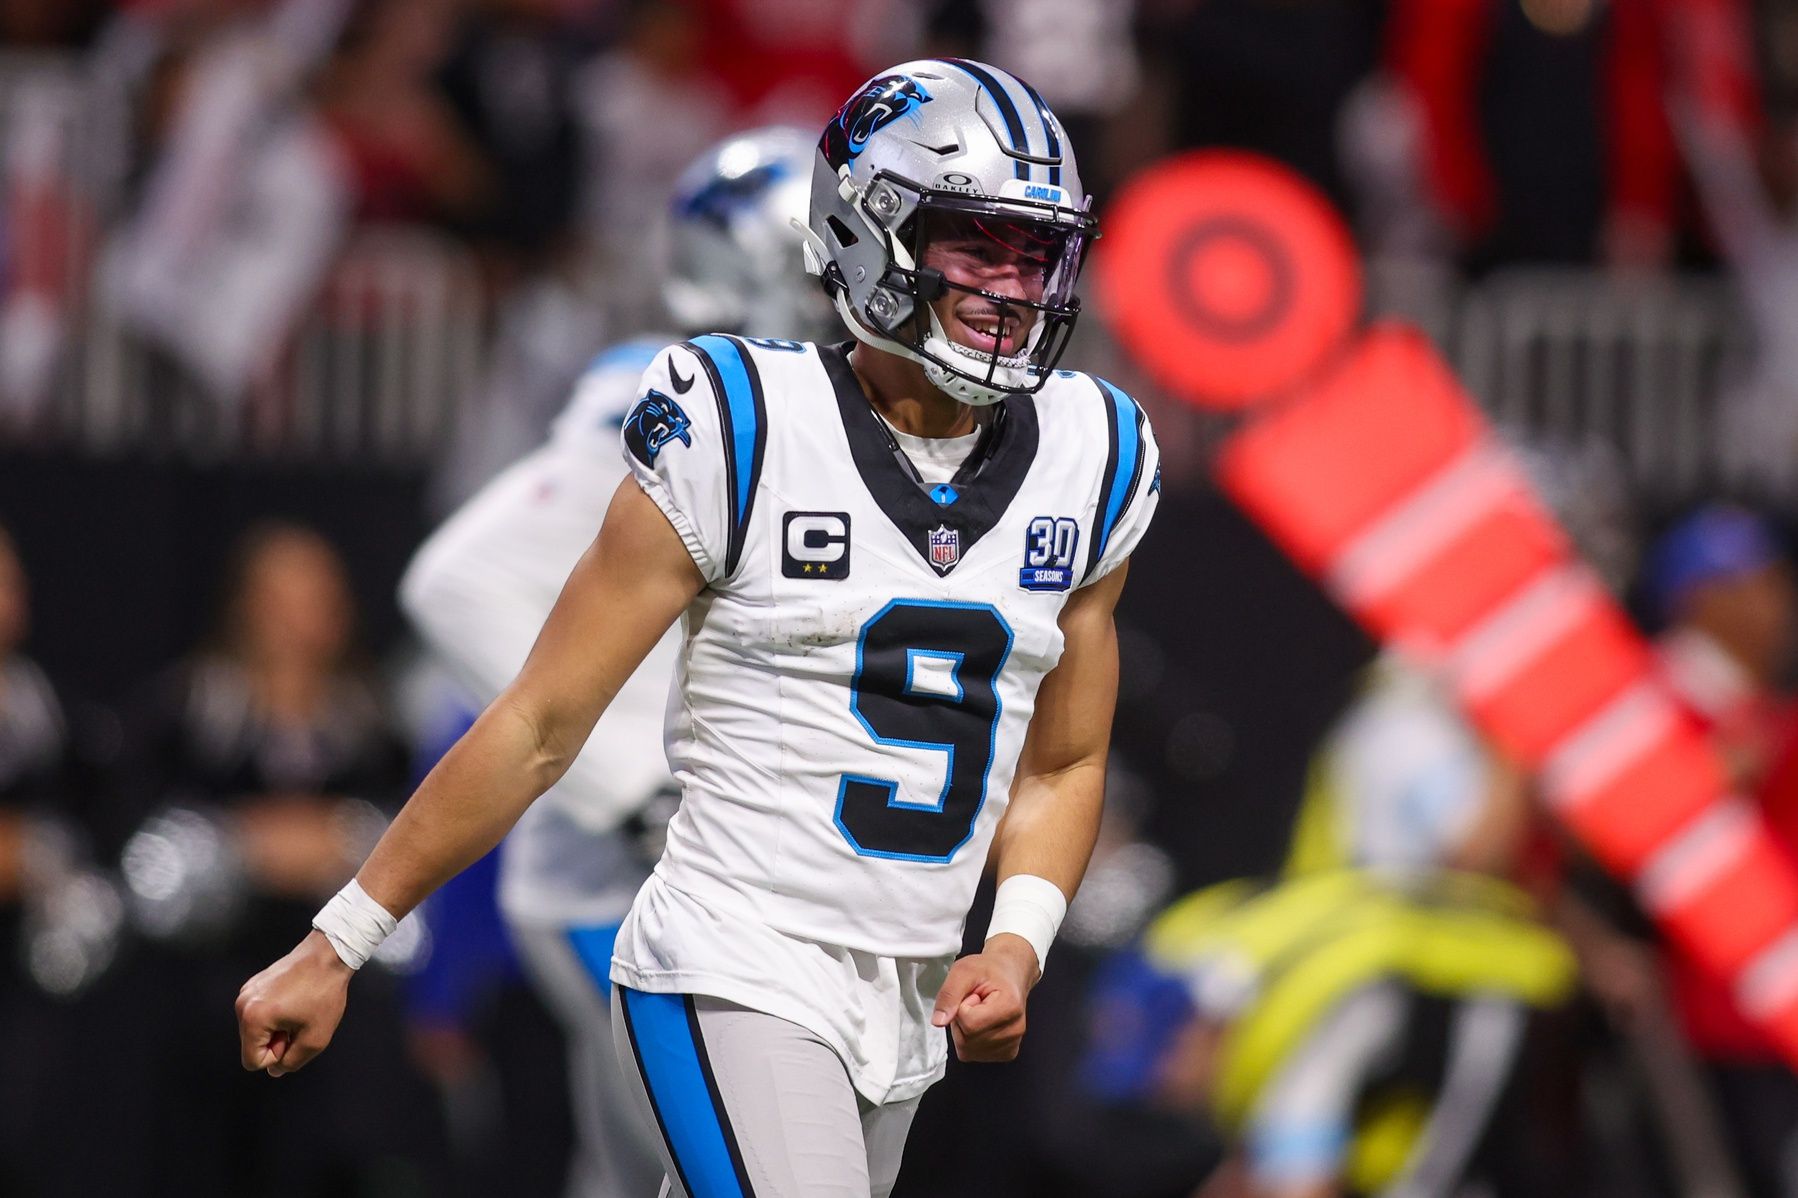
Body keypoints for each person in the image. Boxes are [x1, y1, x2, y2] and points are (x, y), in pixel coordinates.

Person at [238, 58, 1161, 1197]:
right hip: (731, 956)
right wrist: (339, 940)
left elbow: (1064, 759)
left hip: (907, 989)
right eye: (978, 245)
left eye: (1037, 253)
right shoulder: (737, 418)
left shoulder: (1093, 452)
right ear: (870, 233)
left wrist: (1015, 940)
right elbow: (537, 721)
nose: (1013, 288)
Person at [398, 125, 830, 1198]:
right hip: (624, 883)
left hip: (726, 881)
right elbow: (457, 581)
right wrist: (635, 781)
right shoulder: (671, 397)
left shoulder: (818, 420)